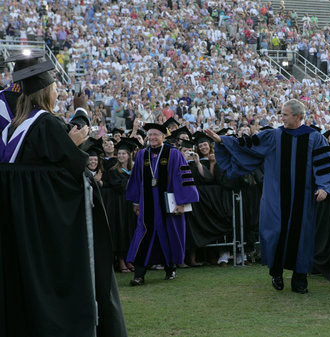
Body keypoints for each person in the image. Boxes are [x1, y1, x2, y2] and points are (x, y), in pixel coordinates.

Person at [0, 53, 127, 336]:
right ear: (46, 91)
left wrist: (69, 145)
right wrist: (77, 135)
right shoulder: (45, 123)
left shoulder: (10, 130)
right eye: (56, 87)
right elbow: (69, 172)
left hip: (18, 231)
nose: (58, 91)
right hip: (47, 232)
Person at [206, 99, 330, 294]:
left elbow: (325, 165)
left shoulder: (315, 138)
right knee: (275, 233)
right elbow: (248, 144)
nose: (282, 118)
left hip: (303, 198)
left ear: (297, 116)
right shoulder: (274, 136)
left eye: (285, 115)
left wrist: (324, 187)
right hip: (275, 197)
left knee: (301, 237)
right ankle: (276, 272)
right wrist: (223, 141)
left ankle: (299, 279)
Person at [126, 122, 199, 286]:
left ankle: (170, 268)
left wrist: (182, 202)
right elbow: (136, 180)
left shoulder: (173, 154)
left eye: (155, 135)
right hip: (147, 207)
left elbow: (183, 178)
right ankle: (139, 274)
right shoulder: (142, 155)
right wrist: (135, 202)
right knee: (143, 236)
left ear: (163, 137)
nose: (152, 138)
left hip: (168, 206)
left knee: (169, 235)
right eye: (150, 135)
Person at [104, 139, 138, 273]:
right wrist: (130, 180)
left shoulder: (133, 169)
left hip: (131, 204)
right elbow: (119, 187)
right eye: (119, 154)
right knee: (121, 231)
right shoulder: (113, 170)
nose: (121, 156)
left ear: (129, 155)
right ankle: (121, 261)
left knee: (131, 230)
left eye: (124, 154)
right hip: (118, 204)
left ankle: (130, 259)